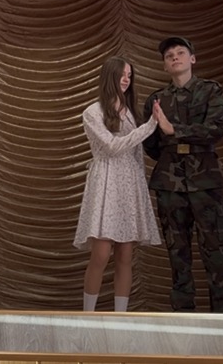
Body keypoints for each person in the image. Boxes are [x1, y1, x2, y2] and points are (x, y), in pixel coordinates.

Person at [142, 37, 223, 312]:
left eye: (180, 52)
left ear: (192, 59)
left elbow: (216, 129)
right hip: (169, 182)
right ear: (164, 66)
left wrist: (175, 131)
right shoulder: (156, 100)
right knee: (177, 253)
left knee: (217, 250)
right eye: (169, 55)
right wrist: (174, 148)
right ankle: (182, 316)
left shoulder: (210, 90)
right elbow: (150, 143)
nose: (175, 57)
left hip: (205, 180)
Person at [73, 56, 167, 312]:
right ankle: (88, 316)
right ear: (109, 76)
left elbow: (135, 154)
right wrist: (150, 126)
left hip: (129, 183)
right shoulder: (93, 112)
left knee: (126, 255)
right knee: (101, 253)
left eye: (129, 75)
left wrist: (139, 188)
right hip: (106, 182)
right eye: (122, 74)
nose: (126, 79)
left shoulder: (130, 113)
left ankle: (120, 318)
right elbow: (112, 147)